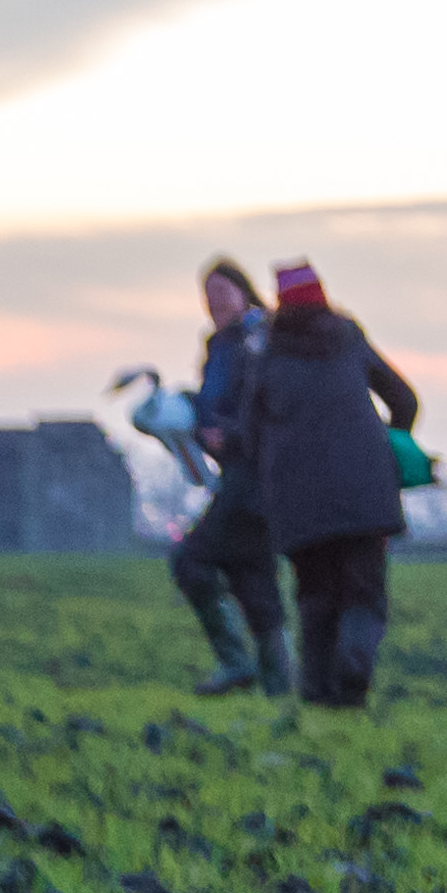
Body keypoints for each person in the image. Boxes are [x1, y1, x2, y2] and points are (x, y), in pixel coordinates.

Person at [243, 258, 423, 709]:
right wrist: (388, 442)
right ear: (322, 295)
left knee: (315, 595)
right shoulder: (348, 337)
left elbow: (248, 433)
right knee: (363, 594)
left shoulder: (267, 355)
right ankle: (355, 666)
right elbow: (404, 399)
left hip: (298, 502)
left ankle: (319, 695)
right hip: (365, 492)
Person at [166, 257, 286, 697]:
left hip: (258, 476)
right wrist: (185, 411)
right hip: (235, 474)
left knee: (191, 560)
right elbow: (215, 405)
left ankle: (236, 663)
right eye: (207, 297)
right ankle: (278, 686)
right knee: (252, 573)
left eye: (222, 294)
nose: (214, 304)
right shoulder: (217, 345)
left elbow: (272, 409)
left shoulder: (263, 339)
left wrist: (230, 434)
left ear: (244, 291)